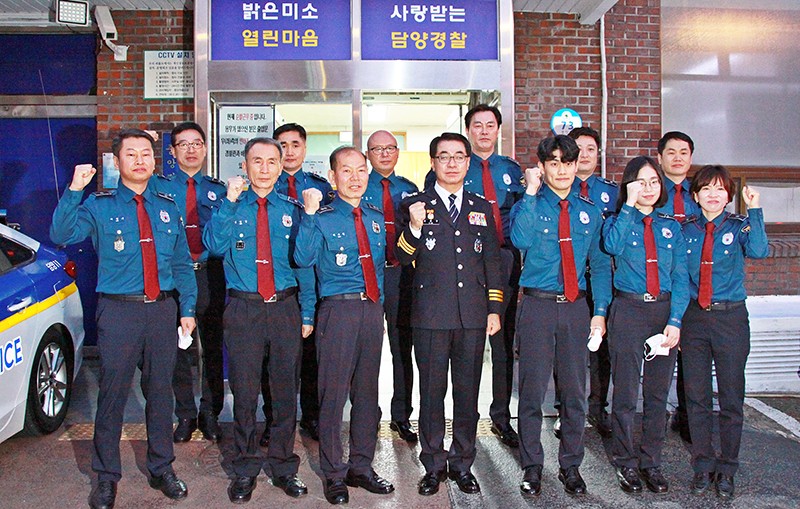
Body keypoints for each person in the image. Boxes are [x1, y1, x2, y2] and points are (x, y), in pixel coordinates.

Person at [50, 129, 197, 509]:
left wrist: (187, 309)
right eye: (131, 154)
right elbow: (61, 232)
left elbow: (182, 263)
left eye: (146, 153)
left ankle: (162, 467)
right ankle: (106, 477)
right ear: (116, 162)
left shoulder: (167, 205)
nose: (140, 160)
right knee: (113, 395)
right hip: (119, 311)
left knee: (160, 393)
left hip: (162, 310)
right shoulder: (99, 205)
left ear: (155, 159)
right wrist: (74, 190)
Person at [203, 137, 315, 503]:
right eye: (257, 161)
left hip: (285, 308)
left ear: (281, 167)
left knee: (284, 393)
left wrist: (307, 310)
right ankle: (245, 467)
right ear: (245, 166)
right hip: (244, 309)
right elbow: (213, 246)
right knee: (245, 393)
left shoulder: (294, 210)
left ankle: (283, 465)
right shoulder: (230, 206)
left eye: (271, 162)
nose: (264, 169)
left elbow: (305, 263)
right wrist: (228, 201)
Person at [396, 132, 504, 496]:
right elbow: (402, 257)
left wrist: (494, 308)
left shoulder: (481, 207)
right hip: (430, 316)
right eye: (444, 157)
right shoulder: (414, 204)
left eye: (459, 156)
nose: (452, 163)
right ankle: (433, 464)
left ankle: (462, 464)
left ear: (468, 163)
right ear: (433, 163)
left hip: (472, 315)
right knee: (431, 393)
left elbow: (492, 261)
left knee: (467, 394)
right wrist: (414, 227)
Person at [510, 135, 611, 497]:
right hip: (536, 307)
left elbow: (600, 266)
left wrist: (600, 313)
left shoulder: (590, 211)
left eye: (567, 162)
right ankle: (532, 466)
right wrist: (530, 191)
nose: (562, 170)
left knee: (574, 393)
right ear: (542, 166)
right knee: (532, 392)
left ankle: (571, 466)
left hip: (575, 309)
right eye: (553, 163)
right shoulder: (529, 204)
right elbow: (520, 240)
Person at [295, 146, 394, 505]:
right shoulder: (320, 217)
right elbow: (303, 259)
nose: (355, 178)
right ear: (333, 177)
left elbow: (382, 268)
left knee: (367, 394)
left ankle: (361, 467)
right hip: (337, 311)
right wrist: (308, 215)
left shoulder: (375, 217)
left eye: (361, 170)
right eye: (346, 171)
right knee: (332, 396)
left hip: (371, 311)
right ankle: (334, 473)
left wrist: (380, 309)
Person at [602, 155, 689, 494]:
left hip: (662, 313)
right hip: (629, 311)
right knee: (625, 393)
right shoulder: (617, 221)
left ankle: (651, 462)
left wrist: (676, 320)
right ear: (629, 185)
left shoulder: (672, 227)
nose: (649, 188)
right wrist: (629, 205)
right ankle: (625, 462)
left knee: (657, 394)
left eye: (654, 181)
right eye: (641, 182)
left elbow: (680, 278)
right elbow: (611, 246)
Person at [681, 165, 768, 500]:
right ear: (696, 195)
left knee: (731, 397)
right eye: (706, 189)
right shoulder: (686, 230)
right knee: (697, 397)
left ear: (729, 194)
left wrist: (755, 209)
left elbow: (759, 250)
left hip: (730, 318)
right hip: (694, 318)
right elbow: (678, 276)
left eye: (719, 189)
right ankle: (702, 465)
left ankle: (728, 468)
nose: (713, 195)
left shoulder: (739, 226)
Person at [150, 122, 227, 443]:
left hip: (210, 273)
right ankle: (185, 413)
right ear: (172, 151)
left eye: (197, 143)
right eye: (183, 144)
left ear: (206, 149)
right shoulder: (158, 188)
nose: (191, 149)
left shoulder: (220, 191)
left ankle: (210, 413)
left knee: (212, 347)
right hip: (173, 276)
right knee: (178, 348)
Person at [260, 122, 333, 445]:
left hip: (313, 278)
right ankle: (274, 419)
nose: (289, 151)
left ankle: (312, 416)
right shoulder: (264, 184)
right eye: (282, 145)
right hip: (276, 278)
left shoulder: (321, 187)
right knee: (273, 359)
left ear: (304, 148)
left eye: (295, 144)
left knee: (312, 353)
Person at [361, 130, 419, 443]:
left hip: (400, 276)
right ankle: (367, 414)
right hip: (367, 276)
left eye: (390, 148)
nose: (384, 154)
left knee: (401, 348)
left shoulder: (410, 190)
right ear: (368, 154)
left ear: (397, 152)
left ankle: (402, 415)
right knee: (367, 350)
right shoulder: (359, 185)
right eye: (377, 149)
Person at [567, 126, 618, 439]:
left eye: (590, 149)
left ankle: (598, 406)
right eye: (578, 149)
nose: (584, 155)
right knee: (567, 347)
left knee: (602, 346)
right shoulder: (559, 186)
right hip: (567, 278)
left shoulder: (612, 192)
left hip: (601, 276)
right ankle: (564, 409)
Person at [656, 131, 701, 443]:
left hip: (694, 287)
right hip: (661, 285)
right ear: (660, 158)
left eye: (683, 152)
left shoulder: (699, 192)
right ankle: (655, 414)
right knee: (659, 353)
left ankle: (687, 416)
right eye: (671, 152)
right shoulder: (652, 190)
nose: (677, 158)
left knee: (691, 357)